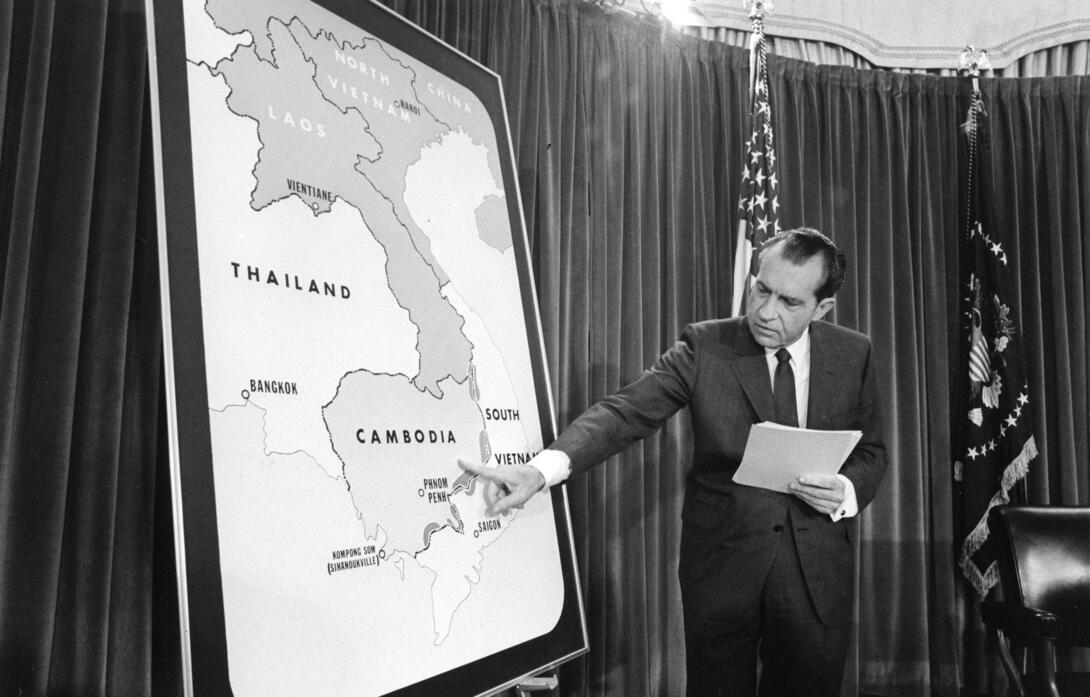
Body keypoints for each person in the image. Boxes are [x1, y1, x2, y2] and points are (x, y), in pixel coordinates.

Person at [460, 228, 887, 697]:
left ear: (821, 308)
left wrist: (846, 491)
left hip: (816, 573)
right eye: (761, 289)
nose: (766, 312)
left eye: (789, 302)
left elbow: (871, 453)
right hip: (724, 570)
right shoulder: (706, 346)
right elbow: (626, 412)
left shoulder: (853, 354)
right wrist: (540, 470)